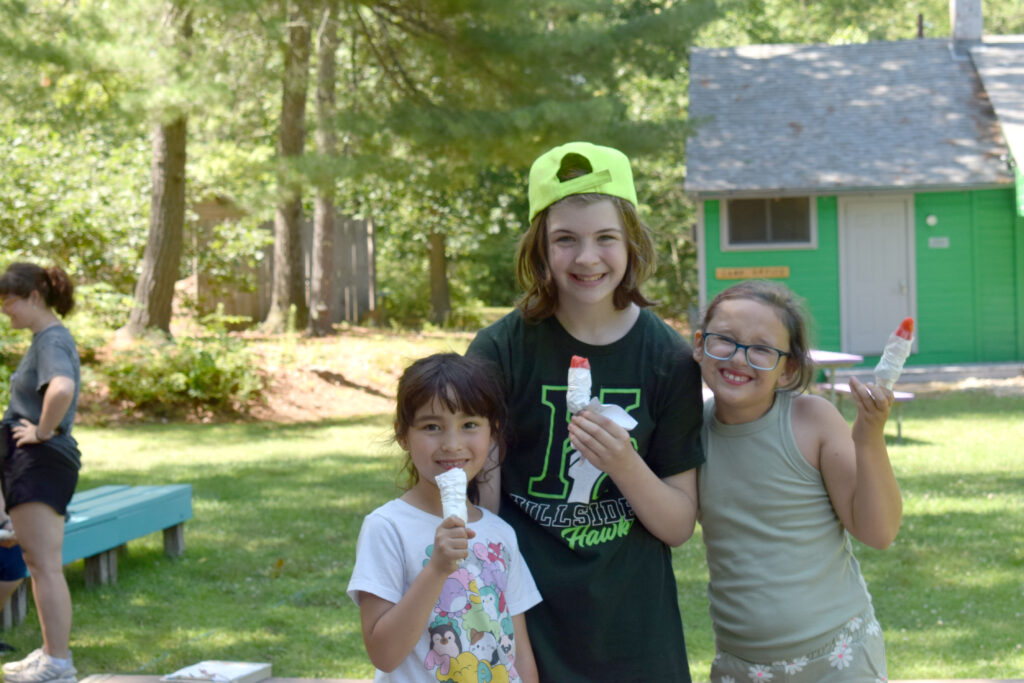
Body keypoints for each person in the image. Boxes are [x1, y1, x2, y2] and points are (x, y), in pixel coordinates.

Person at [466, 141, 704, 681]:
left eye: (605, 238)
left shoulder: (667, 358)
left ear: (632, 243)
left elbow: (677, 524)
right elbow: (482, 510)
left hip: (635, 631)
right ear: (540, 249)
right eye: (565, 240)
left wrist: (623, 463)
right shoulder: (501, 350)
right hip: (528, 621)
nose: (587, 257)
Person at [693, 279, 902, 682]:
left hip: (839, 657)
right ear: (700, 343)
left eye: (761, 348)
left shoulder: (812, 420)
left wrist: (869, 437)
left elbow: (879, 532)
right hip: (741, 665)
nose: (739, 358)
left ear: (788, 368)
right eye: (726, 340)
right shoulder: (687, 433)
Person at [347, 353, 541, 682]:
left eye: (469, 425)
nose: (452, 444)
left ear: (492, 433)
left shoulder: (500, 533)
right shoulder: (388, 528)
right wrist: (436, 568)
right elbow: (384, 654)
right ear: (403, 435)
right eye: (432, 427)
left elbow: (518, 652)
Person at [0, 263, 81, 683]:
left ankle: (58, 663)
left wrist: (42, 431)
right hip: (34, 464)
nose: (5, 312)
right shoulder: (45, 338)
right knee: (36, 561)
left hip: (40, 462)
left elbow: (61, 388)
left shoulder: (50, 339)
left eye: (8, 303)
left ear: (33, 296)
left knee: (45, 565)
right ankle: (51, 654)